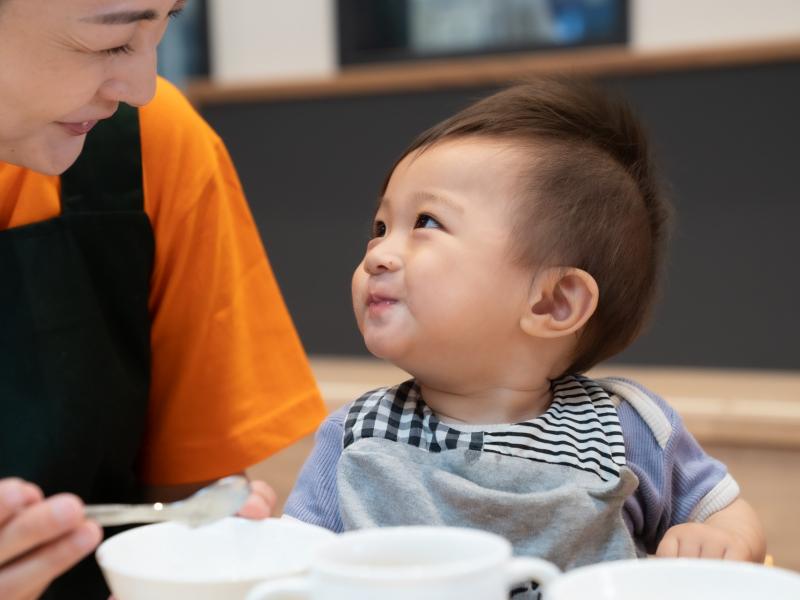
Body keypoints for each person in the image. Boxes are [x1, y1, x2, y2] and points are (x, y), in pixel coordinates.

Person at [283, 79, 766, 598]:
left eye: (426, 222)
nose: (377, 254)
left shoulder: (627, 430)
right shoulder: (355, 437)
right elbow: (294, 566)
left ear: (552, 303)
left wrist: (720, 541)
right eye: (380, 227)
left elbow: (727, 517)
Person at [0, 1, 326, 599]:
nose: (142, 88)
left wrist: (210, 543)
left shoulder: (150, 146)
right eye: (112, 41)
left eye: (166, 23)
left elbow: (190, 496)